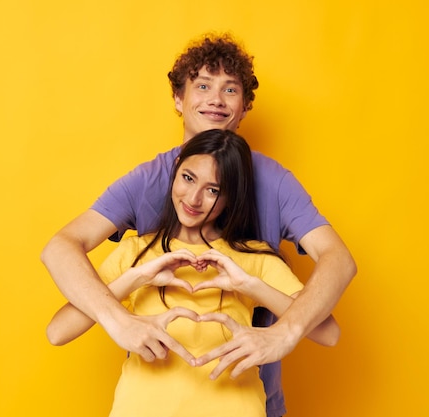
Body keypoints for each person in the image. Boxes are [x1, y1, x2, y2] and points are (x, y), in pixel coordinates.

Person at [41, 32, 356, 417]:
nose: (215, 99)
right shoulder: (143, 216)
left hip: (246, 399)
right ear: (179, 98)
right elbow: (60, 253)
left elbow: (337, 266)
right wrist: (119, 316)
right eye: (203, 85)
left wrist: (282, 329)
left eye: (230, 90)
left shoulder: (265, 214)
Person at [46, 129, 341, 417]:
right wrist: (136, 278)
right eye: (188, 178)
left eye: (213, 190)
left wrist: (250, 286)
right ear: (175, 170)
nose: (194, 198)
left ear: (230, 197)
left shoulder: (255, 257)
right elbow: (58, 332)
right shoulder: (134, 252)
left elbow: (327, 332)